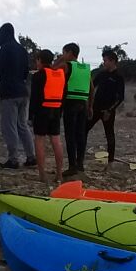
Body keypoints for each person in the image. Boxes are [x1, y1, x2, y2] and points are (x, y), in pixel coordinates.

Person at [0, 22, 34, 169]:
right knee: (22, 125)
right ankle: (31, 156)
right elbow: (26, 71)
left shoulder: (4, 48)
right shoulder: (22, 50)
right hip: (23, 91)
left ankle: (13, 159)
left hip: (9, 93)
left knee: (9, 126)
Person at [86, 48, 125, 165]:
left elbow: (120, 97)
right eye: (103, 60)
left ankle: (111, 162)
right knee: (84, 129)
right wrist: (89, 105)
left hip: (108, 110)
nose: (104, 63)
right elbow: (91, 85)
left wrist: (110, 110)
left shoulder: (118, 77)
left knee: (109, 134)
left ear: (113, 61)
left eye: (106, 60)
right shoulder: (102, 74)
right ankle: (79, 158)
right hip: (96, 108)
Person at [58, 42, 92, 176]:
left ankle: (72, 166)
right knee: (80, 135)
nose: (63, 55)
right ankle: (80, 164)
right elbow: (92, 88)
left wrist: (59, 60)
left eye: (64, 53)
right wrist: (90, 106)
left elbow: (52, 70)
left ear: (70, 53)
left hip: (70, 103)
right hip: (83, 103)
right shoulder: (85, 68)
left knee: (70, 135)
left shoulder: (67, 66)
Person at [31, 49, 64, 183]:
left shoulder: (38, 75)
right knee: (56, 140)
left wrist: (31, 114)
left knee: (40, 140)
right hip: (56, 109)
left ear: (40, 60)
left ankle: (42, 174)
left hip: (42, 110)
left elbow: (34, 97)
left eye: (37, 60)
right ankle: (59, 174)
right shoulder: (60, 74)